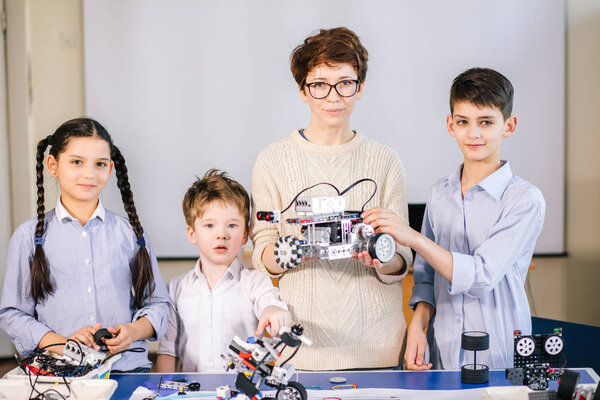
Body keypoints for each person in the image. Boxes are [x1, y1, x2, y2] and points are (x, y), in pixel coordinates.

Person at [250, 27, 413, 370]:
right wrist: (292, 252)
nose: (333, 96)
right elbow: (262, 257)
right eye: (320, 84)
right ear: (302, 90)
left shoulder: (385, 161)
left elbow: (403, 258)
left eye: (345, 83)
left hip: (377, 349)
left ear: (360, 88)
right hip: (300, 350)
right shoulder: (272, 161)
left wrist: (382, 258)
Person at [362, 67, 546, 369]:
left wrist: (413, 238)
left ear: (509, 125)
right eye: (463, 122)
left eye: (486, 122)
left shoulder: (525, 199)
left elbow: (481, 276)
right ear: (451, 125)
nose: (473, 133)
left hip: (497, 353)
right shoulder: (439, 193)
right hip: (443, 350)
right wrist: (418, 326)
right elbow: (426, 278)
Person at [0, 117, 170, 372]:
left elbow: (158, 303)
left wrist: (133, 331)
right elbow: (13, 314)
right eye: (76, 162)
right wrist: (63, 343)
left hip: (125, 370)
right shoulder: (27, 237)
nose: (89, 173)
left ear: (110, 170)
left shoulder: (130, 233)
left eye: (99, 164)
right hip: (57, 373)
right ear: (52, 165)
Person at [156, 169, 290, 372]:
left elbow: (270, 303)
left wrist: (273, 309)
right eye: (209, 225)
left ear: (246, 234)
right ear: (192, 233)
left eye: (232, 226)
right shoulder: (176, 288)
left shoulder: (256, 282)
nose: (222, 234)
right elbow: (168, 351)